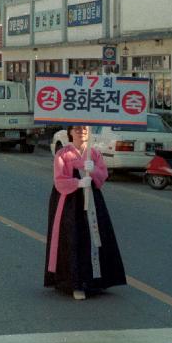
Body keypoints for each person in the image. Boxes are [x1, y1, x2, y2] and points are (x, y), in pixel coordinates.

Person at [44, 125, 126, 300]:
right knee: (73, 239)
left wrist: (94, 170)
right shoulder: (63, 154)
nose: (81, 131)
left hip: (92, 202)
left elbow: (102, 176)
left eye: (85, 129)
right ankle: (75, 284)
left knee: (94, 239)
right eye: (77, 129)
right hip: (69, 203)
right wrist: (78, 183)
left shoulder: (94, 153)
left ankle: (95, 281)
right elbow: (59, 181)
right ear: (70, 133)